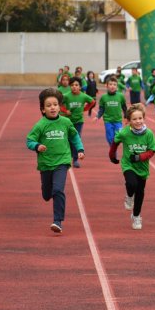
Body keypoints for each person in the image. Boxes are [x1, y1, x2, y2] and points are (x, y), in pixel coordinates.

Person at [26, 88, 84, 234]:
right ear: (43, 109)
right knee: (47, 195)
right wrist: (37, 146)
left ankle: (57, 221)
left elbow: (74, 136)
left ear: (59, 106)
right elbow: (29, 140)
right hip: (46, 163)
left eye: (55, 104)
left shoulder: (65, 122)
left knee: (58, 189)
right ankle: (47, 192)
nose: (52, 107)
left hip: (62, 161)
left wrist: (80, 149)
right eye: (48, 105)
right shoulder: (40, 125)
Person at [109, 104, 155, 230]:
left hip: (142, 167)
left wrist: (139, 157)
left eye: (140, 118)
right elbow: (115, 143)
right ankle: (129, 196)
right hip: (128, 164)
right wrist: (112, 155)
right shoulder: (124, 132)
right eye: (134, 119)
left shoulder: (149, 134)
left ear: (144, 118)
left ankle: (136, 216)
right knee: (131, 184)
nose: (138, 121)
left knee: (140, 193)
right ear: (129, 121)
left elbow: (152, 151)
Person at [61, 76, 94, 168]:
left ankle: (75, 159)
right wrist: (65, 111)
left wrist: (86, 108)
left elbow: (92, 102)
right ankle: (68, 155)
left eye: (76, 85)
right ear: (70, 86)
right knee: (68, 139)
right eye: (72, 85)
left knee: (76, 138)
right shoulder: (66, 96)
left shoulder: (83, 96)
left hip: (79, 121)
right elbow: (59, 104)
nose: (74, 87)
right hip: (68, 121)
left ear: (80, 86)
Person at [94, 76, 127, 151]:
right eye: (110, 84)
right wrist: (97, 116)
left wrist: (126, 117)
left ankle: (113, 146)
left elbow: (124, 107)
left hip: (118, 120)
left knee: (119, 136)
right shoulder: (103, 97)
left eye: (114, 84)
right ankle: (112, 148)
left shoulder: (120, 96)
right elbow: (101, 109)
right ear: (107, 85)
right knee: (110, 138)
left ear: (117, 86)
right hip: (108, 120)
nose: (112, 86)